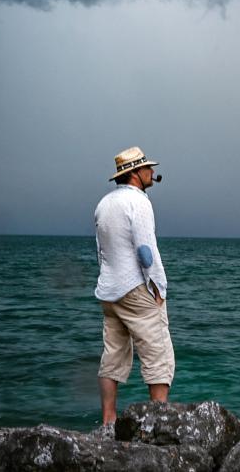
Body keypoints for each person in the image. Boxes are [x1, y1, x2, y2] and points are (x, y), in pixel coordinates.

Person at [94, 146, 174, 425]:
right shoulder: (139, 202)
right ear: (135, 174)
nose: (152, 171)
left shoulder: (103, 204)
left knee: (112, 355)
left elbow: (100, 252)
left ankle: (108, 422)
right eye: (147, 168)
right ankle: (159, 422)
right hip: (135, 289)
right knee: (158, 353)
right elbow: (145, 250)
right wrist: (158, 287)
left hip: (108, 290)